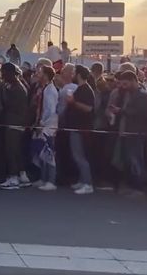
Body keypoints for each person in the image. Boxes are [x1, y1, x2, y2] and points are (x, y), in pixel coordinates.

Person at [109, 71, 147, 195]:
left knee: (136, 160)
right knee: (128, 160)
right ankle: (132, 185)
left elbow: (141, 113)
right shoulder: (126, 94)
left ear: (133, 81)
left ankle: (140, 187)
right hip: (125, 131)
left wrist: (121, 111)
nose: (123, 86)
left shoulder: (142, 96)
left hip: (135, 132)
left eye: (125, 83)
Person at [66, 65, 96, 195]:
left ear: (78, 75)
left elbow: (89, 108)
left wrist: (73, 102)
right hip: (75, 126)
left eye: (73, 73)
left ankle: (88, 183)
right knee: (76, 155)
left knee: (80, 156)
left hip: (81, 128)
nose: (72, 75)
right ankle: (82, 180)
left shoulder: (86, 90)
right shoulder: (80, 88)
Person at [33, 66, 59, 191]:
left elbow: (51, 110)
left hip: (49, 126)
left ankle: (51, 181)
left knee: (49, 153)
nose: (38, 74)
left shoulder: (51, 91)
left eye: (40, 73)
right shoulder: (44, 89)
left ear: (46, 75)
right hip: (42, 124)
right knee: (42, 152)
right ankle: (43, 178)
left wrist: (42, 123)